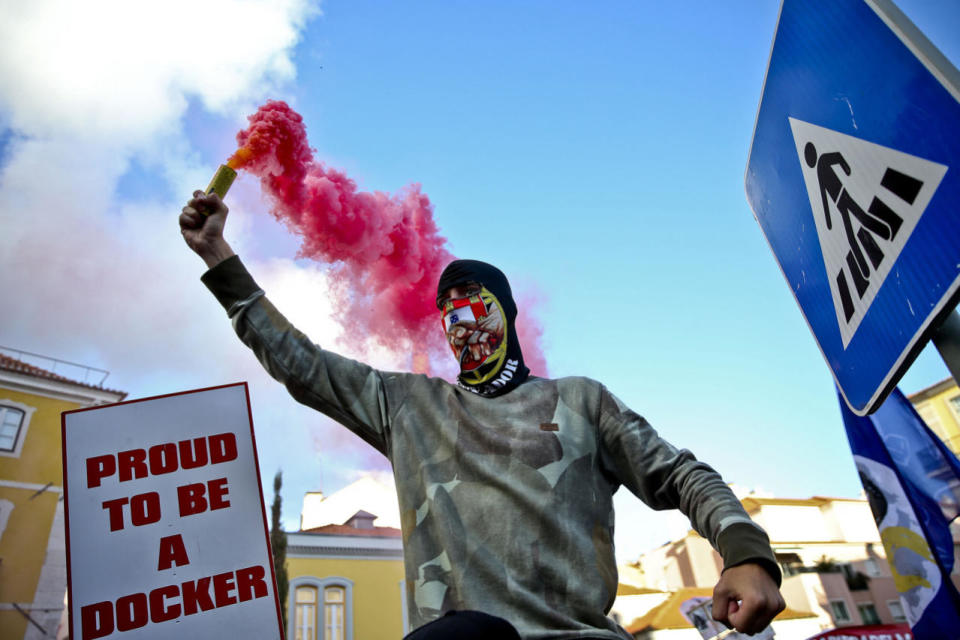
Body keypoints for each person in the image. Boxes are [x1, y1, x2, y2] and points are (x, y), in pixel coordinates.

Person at [180, 190, 786, 639]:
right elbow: (302, 364)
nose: (465, 327)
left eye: (477, 308)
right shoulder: (409, 407)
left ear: (507, 312)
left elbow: (682, 475)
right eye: (451, 317)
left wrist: (747, 554)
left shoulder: (580, 401)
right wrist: (219, 260)